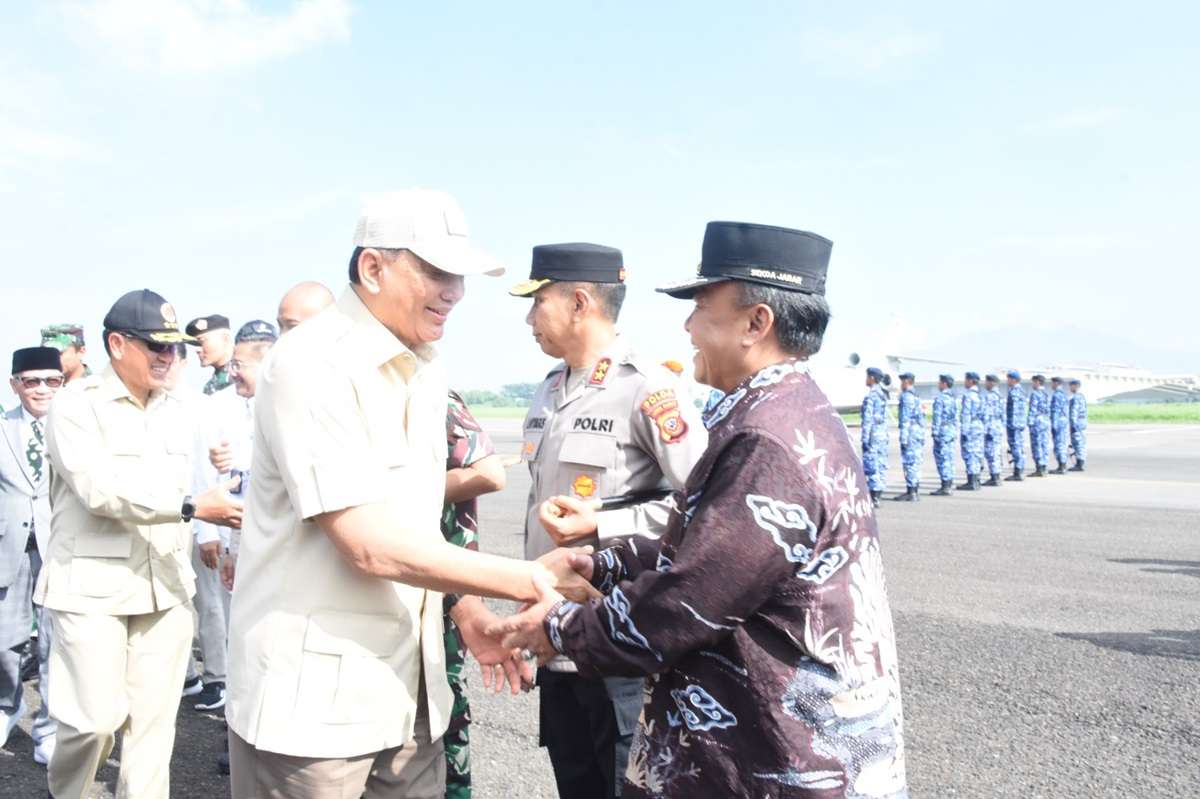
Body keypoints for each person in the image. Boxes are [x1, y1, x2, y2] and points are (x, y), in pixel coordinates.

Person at [489, 220, 908, 798]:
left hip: (781, 756)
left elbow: (693, 597)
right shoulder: (779, 411)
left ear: (756, 323)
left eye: (702, 307)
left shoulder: (767, 438)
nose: (687, 327)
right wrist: (605, 564)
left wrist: (559, 628)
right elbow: (710, 542)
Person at [224, 189, 593, 799]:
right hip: (315, 709)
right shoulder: (312, 363)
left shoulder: (423, 367)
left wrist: (467, 611)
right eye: (437, 272)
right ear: (373, 268)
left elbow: (415, 520)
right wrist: (529, 578)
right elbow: (367, 543)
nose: (455, 292)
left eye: (460, 277)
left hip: (411, 694)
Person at [510, 242, 707, 799]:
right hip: (557, 638)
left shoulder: (649, 388)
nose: (529, 319)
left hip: (620, 642)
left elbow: (705, 505)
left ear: (579, 303)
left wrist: (603, 525)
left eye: (538, 302)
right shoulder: (549, 389)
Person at [35, 289, 244, 799]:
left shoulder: (181, 407)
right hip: (93, 590)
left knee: (153, 733)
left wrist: (226, 464)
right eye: (156, 346)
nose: (168, 357)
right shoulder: (76, 405)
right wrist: (191, 507)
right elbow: (98, 489)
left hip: (165, 587)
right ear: (116, 344)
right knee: (92, 722)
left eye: (173, 348)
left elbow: (230, 444)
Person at [441, 390, 507, 799]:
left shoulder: (433, 394)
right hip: (419, 585)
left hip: (443, 588)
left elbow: (490, 473)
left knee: (442, 722)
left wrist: (394, 496)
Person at [1, 347, 63, 766]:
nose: (42, 388)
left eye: (51, 380)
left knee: (55, 645)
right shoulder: (3, 427)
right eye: (31, 381)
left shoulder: (75, 428)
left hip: (60, 548)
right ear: (15, 384)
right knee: (5, 642)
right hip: (9, 548)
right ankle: (8, 706)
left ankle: (50, 728)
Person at [185, 314, 235, 395]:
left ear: (225, 338)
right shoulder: (210, 386)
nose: (197, 350)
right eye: (195, 344)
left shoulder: (246, 374)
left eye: (201, 341)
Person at [893, 371, 924, 502]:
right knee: (915, 462)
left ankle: (911, 492)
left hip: (910, 432)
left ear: (907, 382)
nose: (901, 384)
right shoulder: (916, 395)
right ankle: (914, 489)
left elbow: (905, 419)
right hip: (917, 432)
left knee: (909, 462)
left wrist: (904, 438)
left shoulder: (906, 397)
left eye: (902, 381)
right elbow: (921, 418)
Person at [861, 367, 889, 506]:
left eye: (867, 377)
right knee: (881, 463)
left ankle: (874, 496)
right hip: (882, 434)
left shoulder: (872, 396)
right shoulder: (883, 394)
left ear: (872, 378)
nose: (866, 379)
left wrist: (865, 439)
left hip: (873, 434)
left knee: (872, 464)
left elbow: (868, 419)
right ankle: (879, 492)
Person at [930, 374, 958, 496]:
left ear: (944, 384)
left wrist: (935, 432)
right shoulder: (952, 398)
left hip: (942, 430)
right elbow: (956, 416)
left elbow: (937, 417)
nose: (938, 384)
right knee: (949, 458)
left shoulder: (940, 398)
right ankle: (949, 483)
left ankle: (945, 486)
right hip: (950, 430)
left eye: (940, 382)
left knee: (942, 458)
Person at [957, 372, 985, 491]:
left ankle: (972, 481)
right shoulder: (980, 395)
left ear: (970, 381)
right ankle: (976, 479)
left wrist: (964, 431)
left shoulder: (968, 396)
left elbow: (966, 414)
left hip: (971, 426)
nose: (965, 382)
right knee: (977, 453)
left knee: (970, 453)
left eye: (966, 380)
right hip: (978, 425)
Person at [981, 374, 1005, 486]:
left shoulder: (990, 396)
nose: (985, 384)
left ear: (992, 383)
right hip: (997, 426)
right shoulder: (999, 395)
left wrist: (984, 429)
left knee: (991, 452)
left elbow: (987, 414)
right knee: (996, 451)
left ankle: (994, 477)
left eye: (987, 382)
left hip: (991, 427)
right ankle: (996, 475)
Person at [1004, 370, 1027, 482]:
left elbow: (1015, 409)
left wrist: (1012, 424)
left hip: (1014, 424)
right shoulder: (1021, 390)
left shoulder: (1015, 391)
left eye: (1009, 379)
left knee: (1016, 447)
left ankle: (1018, 472)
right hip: (1019, 423)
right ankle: (1019, 469)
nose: (1007, 381)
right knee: (1019, 447)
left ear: (1014, 380)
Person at [1027, 374, 1051, 477]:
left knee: (1037, 445)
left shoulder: (1035, 394)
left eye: (1033, 382)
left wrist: (1030, 422)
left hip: (1037, 421)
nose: (1032, 384)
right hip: (1045, 420)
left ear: (1037, 382)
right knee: (1044, 444)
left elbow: (1032, 409)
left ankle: (1039, 468)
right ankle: (1044, 466)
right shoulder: (1046, 394)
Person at [1049, 377, 1070, 474]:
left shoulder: (1056, 395)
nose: (1051, 385)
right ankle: (1062, 465)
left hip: (1058, 422)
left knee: (1059, 444)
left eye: (1052, 383)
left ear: (1056, 383)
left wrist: (1054, 424)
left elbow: (1055, 411)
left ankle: (1062, 466)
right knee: (1062, 443)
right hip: (1064, 421)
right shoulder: (1064, 394)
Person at [1068, 379, 1088, 471]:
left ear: (1076, 386)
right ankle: (1080, 462)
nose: (1070, 387)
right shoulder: (1082, 397)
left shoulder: (1075, 398)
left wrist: (1072, 425)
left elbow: (1074, 412)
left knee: (1078, 443)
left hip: (1077, 424)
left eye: (1071, 385)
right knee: (1082, 443)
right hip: (1082, 423)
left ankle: (1079, 464)